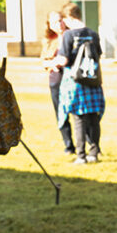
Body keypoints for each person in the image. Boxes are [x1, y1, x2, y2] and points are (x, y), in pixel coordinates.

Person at [55, 2, 104, 164]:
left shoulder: (68, 36)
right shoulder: (93, 34)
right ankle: (94, 153)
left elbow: (63, 59)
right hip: (93, 80)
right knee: (93, 118)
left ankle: (81, 155)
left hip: (75, 82)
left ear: (69, 17)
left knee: (78, 118)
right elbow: (98, 54)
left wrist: (52, 63)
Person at [40, 9, 76, 155]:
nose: (59, 24)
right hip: (55, 80)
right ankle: (68, 145)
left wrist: (58, 62)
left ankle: (85, 145)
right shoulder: (49, 40)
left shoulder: (73, 35)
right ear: (49, 25)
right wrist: (54, 63)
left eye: (60, 19)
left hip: (73, 80)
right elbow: (43, 62)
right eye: (55, 21)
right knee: (61, 114)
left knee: (78, 113)